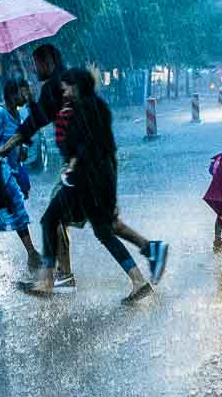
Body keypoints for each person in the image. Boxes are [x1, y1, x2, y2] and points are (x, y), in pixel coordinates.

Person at [22, 68, 165, 305]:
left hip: (83, 179)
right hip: (89, 178)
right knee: (103, 231)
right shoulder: (81, 106)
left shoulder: (82, 109)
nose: (63, 91)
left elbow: (87, 144)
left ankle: (54, 279)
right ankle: (140, 274)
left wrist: (74, 165)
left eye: (66, 87)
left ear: (76, 87)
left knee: (52, 220)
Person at [0, 44, 76, 288]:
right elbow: (39, 118)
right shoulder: (64, 81)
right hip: (83, 161)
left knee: (54, 219)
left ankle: (59, 278)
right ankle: (61, 275)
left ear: (48, 61)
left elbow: (34, 122)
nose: (34, 69)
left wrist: (4, 149)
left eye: (36, 64)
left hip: (81, 163)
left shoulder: (58, 85)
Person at [0, 81, 41, 273]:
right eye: (23, 93)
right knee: (16, 207)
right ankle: (32, 255)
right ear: (12, 95)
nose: (26, 97)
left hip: (11, 169)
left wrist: (22, 150)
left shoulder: (18, 114)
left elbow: (19, 138)